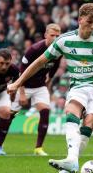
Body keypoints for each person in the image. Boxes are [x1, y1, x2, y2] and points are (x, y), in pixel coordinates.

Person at [7, 3, 93, 173]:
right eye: (89, 22)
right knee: (71, 112)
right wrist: (18, 83)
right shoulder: (64, 40)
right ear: (80, 19)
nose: (92, 27)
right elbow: (38, 63)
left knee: (90, 123)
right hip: (78, 86)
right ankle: (71, 160)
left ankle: (64, 172)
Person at [10, 23, 61, 156]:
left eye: (58, 36)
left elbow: (54, 67)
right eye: (52, 35)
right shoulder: (34, 50)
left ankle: (38, 148)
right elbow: (21, 72)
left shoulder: (58, 51)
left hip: (40, 87)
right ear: (45, 35)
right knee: (8, 115)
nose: (55, 38)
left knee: (45, 111)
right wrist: (21, 93)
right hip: (24, 85)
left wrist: (48, 82)